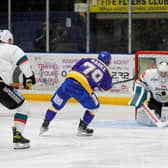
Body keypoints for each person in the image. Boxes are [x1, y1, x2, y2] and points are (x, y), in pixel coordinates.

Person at [40, 51, 112, 136]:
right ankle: (83, 127)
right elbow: (106, 90)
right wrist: (98, 85)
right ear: (108, 61)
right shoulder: (107, 72)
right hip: (82, 89)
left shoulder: (87, 59)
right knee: (95, 106)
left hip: (68, 82)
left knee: (56, 104)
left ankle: (45, 123)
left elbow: (73, 70)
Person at [0, 29, 36, 149]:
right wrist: (29, 77)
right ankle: (18, 137)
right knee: (24, 106)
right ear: (9, 40)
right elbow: (23, 61)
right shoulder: (12, 48)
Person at [129, 61, 168, 126]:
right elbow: (140, 83)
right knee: (149, 120)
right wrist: (138, 95)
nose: (163, 75)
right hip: (155, 100)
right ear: (158, 71)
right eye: (161, 73)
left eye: (165, 73)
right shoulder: (149, 74)